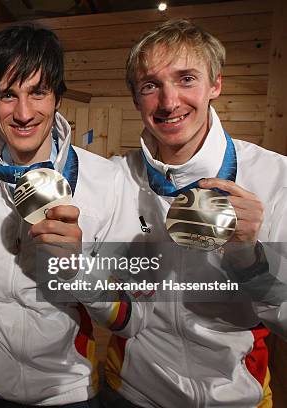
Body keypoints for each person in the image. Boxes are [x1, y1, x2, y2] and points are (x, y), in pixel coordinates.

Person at [0, 24, 146, 407]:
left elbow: (131, 318)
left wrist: (76, 271)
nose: (23, 113)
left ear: (57, 96)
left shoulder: (106, 181)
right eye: (8, 95)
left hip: (67, 390)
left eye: (37, 92)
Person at [103, 19, 287, 408]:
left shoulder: (276, 179)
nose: (169, 102)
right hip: (131, 389)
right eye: (151, 85)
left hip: (237, 396)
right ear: (136, 98)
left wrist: (251, 258)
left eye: (186, 79)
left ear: (215, 84)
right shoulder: (117, 178)